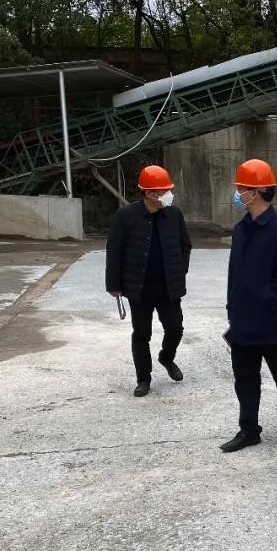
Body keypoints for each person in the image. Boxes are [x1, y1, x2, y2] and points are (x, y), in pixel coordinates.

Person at [220, 158, 277, 453]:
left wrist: (266, 302)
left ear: (254, 192)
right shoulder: (241, 228)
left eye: (241, 189)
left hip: (271, 319)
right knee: (244, 377)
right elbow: (234, 273)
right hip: (242, 319)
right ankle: (249, 429)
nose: (237, 194)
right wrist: (233, 308)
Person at [105, 165, 192, 397]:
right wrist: (114, 285)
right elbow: (114, 251)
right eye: (163, 191)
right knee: (142, 334)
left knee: (175, 328)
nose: (168, 195)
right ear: (149, 193)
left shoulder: (174, 215)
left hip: (168, 286)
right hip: (139, 286)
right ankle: (143, 379)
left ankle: (166, 358)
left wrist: (180, 270)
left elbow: (185, 245)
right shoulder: (126, 216)